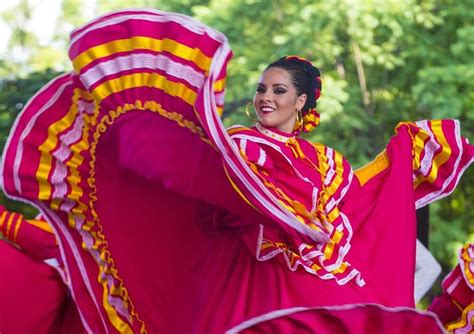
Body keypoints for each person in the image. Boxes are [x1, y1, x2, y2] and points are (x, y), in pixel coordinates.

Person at [0, 8, 472, 333]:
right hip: (236, 288)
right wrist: (158, 146)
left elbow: (361, 211)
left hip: (299, 295)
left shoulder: (329, 164)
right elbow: (200, 173)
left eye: (280, 90)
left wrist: (402, 159)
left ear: (302, 101)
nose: (266, 97)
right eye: (262, 87)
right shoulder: (243, 145)